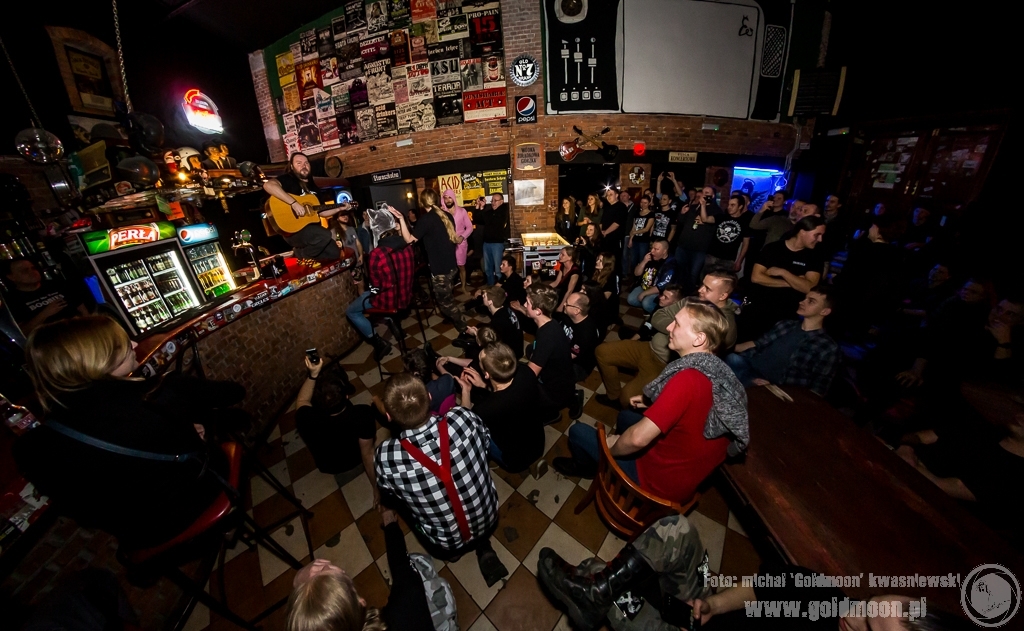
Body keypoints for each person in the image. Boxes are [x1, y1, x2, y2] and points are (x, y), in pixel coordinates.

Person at [13, 316, 243, 549]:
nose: (134, 344)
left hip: (141, 536)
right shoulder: (156, 392)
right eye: (121, 345)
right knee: (229, 422)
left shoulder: (30, 448)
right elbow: (234, 393)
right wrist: (190, 430)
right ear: (97, 358)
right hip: (201, 497)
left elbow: (86, 516)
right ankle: (230, 525)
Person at [554, 299, 749, 503]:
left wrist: (611, 447)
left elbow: (637, 439)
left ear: (699, 338)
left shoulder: (687, 379)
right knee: (626, 416)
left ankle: (586, 467)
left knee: (578, 432)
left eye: (677, 324)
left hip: (660, 481)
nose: (669, 327)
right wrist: (654, 403)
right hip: (689, 466)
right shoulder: (717, 370)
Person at [374, 373, 508, 585]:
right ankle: (481, 543)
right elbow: (485, 445)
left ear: (388, 416)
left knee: (398, 504)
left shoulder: (386, 457)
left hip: (445, 542)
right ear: (429, 397)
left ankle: (453, 553)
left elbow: (388, 491)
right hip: (489, 516)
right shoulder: (464, 418)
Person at [596, 271, 737, 409]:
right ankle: (613, 397)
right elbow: (657, 316)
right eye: (702, 285)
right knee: (602, 352)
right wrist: (680, 328)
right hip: (649, 347)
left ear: (723, 295)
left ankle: (625, 406)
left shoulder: (725, 325)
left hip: (664, 365)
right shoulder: (691, 301)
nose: (700, 290)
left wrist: (677, 327)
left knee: (627, 399)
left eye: (707, 288)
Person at [286, 508, 436, 631]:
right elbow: (401, 566)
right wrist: (388, 517)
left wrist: (299, 582)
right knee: (420, 564)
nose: (326, 566)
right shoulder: (405, 607)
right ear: (361, 602)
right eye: (345, 579)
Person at [727, 285, 840, 397]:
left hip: (772, 385)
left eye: (811, 301)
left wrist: (779, 388)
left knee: (734, 382)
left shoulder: (827, 347)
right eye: (805, 298)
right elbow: (758, 344)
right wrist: (724, 346)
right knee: (730, 358)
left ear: (824, 311)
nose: (802, 302)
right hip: (748, 365)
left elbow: (818, 388)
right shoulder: (786, 325)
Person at [388, 193, 472, 344]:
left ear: (422, 203)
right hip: (451, 266)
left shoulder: (426, 220)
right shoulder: (446, 215)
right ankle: (462, 327)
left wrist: (401, 219)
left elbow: (409, 240)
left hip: (441, 271)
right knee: (448, 299)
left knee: (447, 306)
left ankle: (466, 331)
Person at [294, 357, 377, 499]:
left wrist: (313, 375)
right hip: (355, 460)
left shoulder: (305, 418)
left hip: (328, 466)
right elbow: (367, 454)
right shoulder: (362, 414)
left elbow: (302, 400)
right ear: (346, 396)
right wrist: (376, 488)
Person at [455, 342, 545, 472]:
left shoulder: (485, 409)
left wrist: (466, 390)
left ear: (487, 374)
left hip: (514, 460)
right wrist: (484, 385)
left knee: (476, 436)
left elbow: (464, 423)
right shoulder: (527, 372)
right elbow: (508, 393)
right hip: (537, 444)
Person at [741, 215, 826, 340]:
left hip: (786, 315)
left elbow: (809, 288)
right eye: (817, 235)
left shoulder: (815, 257)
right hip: (758, 308)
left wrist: (783, 272)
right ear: (802, 231)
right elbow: (756, 277)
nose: (820, 239)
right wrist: (794, 282)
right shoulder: (773, 248)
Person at [345, 227, 415, 360]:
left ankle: (379, 343)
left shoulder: (377, 254)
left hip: (388, 300)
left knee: (352, 311)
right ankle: (395, 325)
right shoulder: (408, 247)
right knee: (373, 294)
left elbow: (376, 285)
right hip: (405, 296)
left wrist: (369, 290)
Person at [263, 152, 345, 260]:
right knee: (325, 235)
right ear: (292, 167)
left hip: (313, 232)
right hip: (294, 232)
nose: (304, 165)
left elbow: (322, 212)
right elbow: (268, 185)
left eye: (306, 163)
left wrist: (340, 208)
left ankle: (306, 255)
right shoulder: (288, 179)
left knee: (334, 253)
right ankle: (302, 255)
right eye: (299, 163)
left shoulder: (314, 187)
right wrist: (294, 203)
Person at [524, 284, 582, 420]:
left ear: (538, 311)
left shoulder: (547, 336)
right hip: (561, 379)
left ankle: (552, 414)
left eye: (527, 303)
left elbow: (531, 373)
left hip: (555, 390)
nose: (524, 305)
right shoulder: (550, 323)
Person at [1, 258, 90, 334]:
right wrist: (45, 313)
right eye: (25, 270)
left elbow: (82, 308)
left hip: (78, 332)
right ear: (11, 277)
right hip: (50, 341)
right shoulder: (11, 301)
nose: (32, 272)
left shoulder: (57, 284)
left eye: (33, 268)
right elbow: (21, 332)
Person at [469, 285, 523, 359]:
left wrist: (476, 334)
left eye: (484, 296)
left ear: (490, 302)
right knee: (479, 325)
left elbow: (491, 343)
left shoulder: (498, 321)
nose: (482, 297)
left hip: (510, 354)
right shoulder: (505, 308)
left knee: (472, 352)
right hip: (517, 347)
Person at [705, 193, 752, 275]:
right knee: (706, 279)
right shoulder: (722, 217)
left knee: (724, 281)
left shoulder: (745, 222)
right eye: (729, 204)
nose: (729, 207)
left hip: (728, 259)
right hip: (712, 255)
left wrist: (739, 261)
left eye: (732, 205)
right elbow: (705, 219)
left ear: (740, 206)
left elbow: (746, 243)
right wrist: (703, 205)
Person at [628, 239, 678, 314]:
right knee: (631, 300)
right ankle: (649, 306)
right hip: (644, 286)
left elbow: (662, 286)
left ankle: (659, 312)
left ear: (664, 251)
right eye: (652, 248)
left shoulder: (670, 265)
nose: (652, 251)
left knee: (646, 303)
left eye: (656, 249)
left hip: (658, 292)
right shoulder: (650, 257)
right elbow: (636, 273)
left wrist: (644, 294)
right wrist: (644, 261)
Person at [560, 292, 601, 382]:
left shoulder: (586, 332)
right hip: (564, 350)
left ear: (577, 311)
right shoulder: (568, 317)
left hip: (579, 366)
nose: (564, 304)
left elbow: (570, 356)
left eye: (567, 303)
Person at [441, 188, 474, 292]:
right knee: (448, 267)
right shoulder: (441, 213)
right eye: (445, 198)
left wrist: (462, 237)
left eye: (450, 197)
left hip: (460, 243)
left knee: (461, 266)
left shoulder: (462, 211)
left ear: (453, 198)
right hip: (447, 244)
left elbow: (470, 227)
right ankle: (449, 288)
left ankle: (463, 287)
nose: (448, 200)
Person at [478, 193, 510, 285]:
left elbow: (492, 220)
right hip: (487, 243)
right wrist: (480, 207)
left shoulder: (503, 212)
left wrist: (484, 211)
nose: (493, 203)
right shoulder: (490, 212)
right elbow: (478, 219)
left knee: (499, 268)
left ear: (502, 202)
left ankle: (500, 289)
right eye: (492, 200)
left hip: (497, 244)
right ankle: (490, 286)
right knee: (487, 268)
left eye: (495, 201)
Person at [585, 252, 620, 333]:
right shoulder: (596, 272)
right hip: (597, 300)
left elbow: (604, 298)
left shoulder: (611, 277)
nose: (597, 261)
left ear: (607, 264)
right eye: (597, 259)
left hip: (607, 307)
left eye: (601, 261)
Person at [627, 195, 655, 275]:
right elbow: (634, 226)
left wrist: (634, 232)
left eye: (645, 203)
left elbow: (646, 229)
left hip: (644, 241)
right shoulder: (637, 213)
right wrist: (631, 239)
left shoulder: (651, 214)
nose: (643, 204)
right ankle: (634, 276)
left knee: (642, 260)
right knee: (633, 260)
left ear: (649, 203)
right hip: (635, 240)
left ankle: (640, 276)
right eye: (642, 202)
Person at [601, 189, 628, 271]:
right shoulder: (607, 207)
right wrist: (600, 231)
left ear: (616, 195)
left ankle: (617, 277)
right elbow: (602, 222)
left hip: (616, 239)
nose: (608, 197)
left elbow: (616, 224)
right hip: (605, 239)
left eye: (611, 194)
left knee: (615, 260)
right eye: (607, 195)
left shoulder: (621, 207)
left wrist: (606, 232)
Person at [551, 246, 582, 312]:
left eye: (563, 255)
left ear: (570, 257)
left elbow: (569, 291)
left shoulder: (575, 271)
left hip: (571, 298)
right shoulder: (562, 266)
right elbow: (556, 282)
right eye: (560, 254)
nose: (560, 256)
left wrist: (561, 306)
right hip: (562, 293)